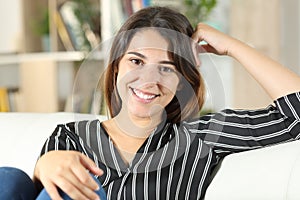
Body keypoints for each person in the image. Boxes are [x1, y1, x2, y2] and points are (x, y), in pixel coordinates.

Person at [1, 6, 300, 200]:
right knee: (11, 180)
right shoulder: (69, 137)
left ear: (182, 81)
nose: (148, 80)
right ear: (116, 66)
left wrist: (232, 47)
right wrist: (42, 166)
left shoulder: (200, 137)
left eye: (167, 68)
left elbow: (296, 113)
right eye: (136, 61)